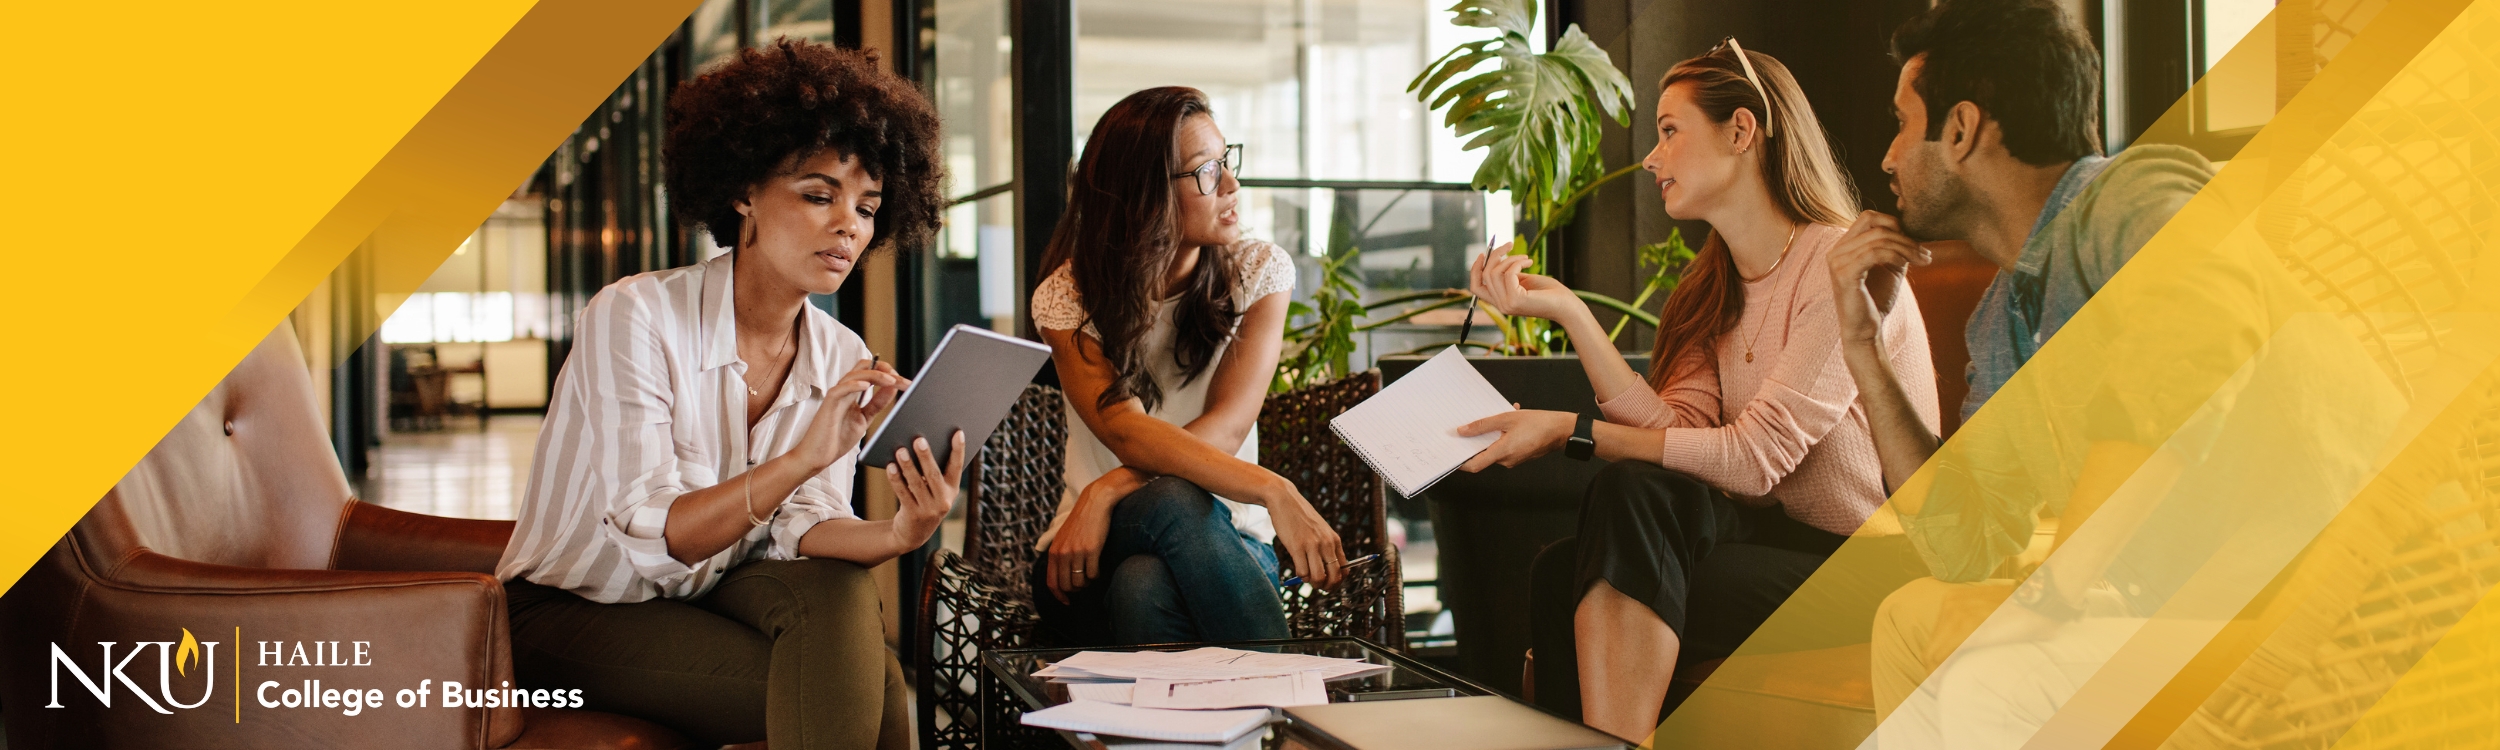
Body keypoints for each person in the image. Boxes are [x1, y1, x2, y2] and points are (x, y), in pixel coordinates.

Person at [1457, 41, 1937, 742]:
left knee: (1589, 563)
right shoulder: (1711, 287)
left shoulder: (1837, 266)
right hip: (1774, 540)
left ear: (1741, 131)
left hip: (1870, 564)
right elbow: (1675, 435)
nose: (1652, 157)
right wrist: (1569, 312)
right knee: (1590, 540)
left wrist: (1572, 431)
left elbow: (1753, 460)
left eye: (1669, 130)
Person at [494, 40, 953, 750]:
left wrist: (901, 533)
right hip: (575, 609)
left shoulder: (843, 355)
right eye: (817, 194)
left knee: (839, 590)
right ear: (744, 191)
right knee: (872, 689)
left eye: (867, 207)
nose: (847, 227)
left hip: (714, 589)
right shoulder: (635, 315)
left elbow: (806, 528)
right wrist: (802, 456)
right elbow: (658, 532)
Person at [1821, 0, 2220, 744]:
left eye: (1903, 124)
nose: (1886, 158)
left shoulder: (2125, 196)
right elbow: (1964, 546)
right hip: (2149, 608)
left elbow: (2192, 332)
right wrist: (1862, 352)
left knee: (1987, 680)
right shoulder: (2002, 319)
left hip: (2297, 589)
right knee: (1909, 617)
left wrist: (2047, 599)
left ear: (1963, 130)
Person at [1027, 86, 1349, 647]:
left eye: (1227, 162)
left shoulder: (1258, 272)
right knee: (1169, 506)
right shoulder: (1068, 297)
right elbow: (1126, 431)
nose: (1231, 186)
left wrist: (1106, 488)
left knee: (1143, 585)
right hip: (1088, 551)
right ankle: (1292, 701)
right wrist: (1276, 490)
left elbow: (1227, 427)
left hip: (1230, 542)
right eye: (1206, 172)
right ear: (1142, 194)